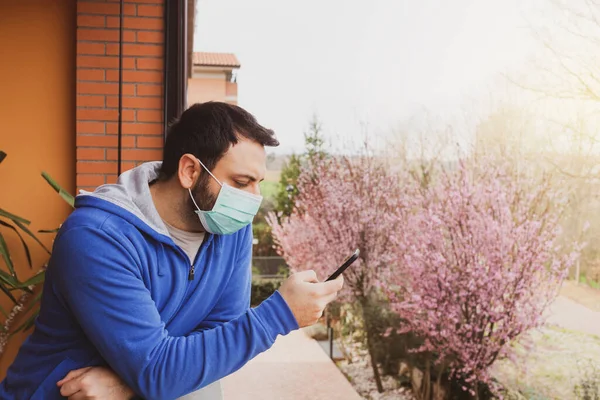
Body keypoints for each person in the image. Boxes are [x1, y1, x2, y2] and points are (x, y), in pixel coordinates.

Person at [0, 102, 344, 399]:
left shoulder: (231, 227)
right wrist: (279, 314)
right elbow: (163, 368)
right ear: (190, 170)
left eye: (258, 183)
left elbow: (221, 328)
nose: (254, 198)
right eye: (241, 182)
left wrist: (131, 381)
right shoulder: (97, 238)